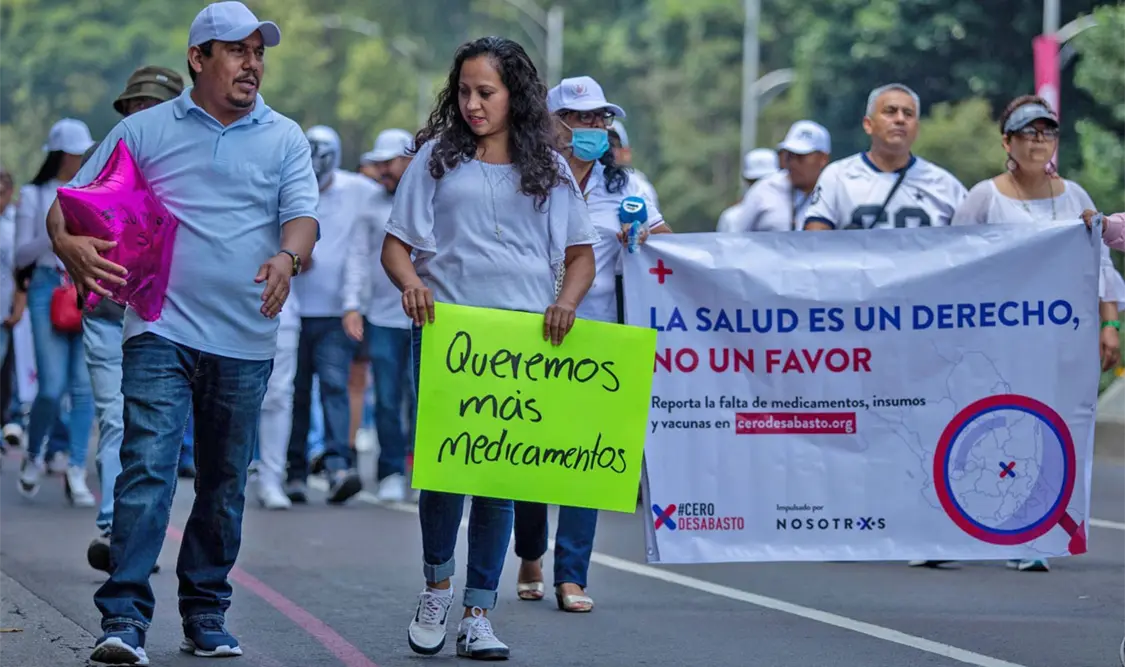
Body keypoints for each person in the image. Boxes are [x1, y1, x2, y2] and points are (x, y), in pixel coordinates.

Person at [46, 3, 319, 664]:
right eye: (237, 50)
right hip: (159, 328)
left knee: (223, 483)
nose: (252, 64)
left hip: (246, 339)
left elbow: (303, 219)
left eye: (259, 52)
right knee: (147, 466)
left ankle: (205, 613)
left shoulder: (284, 136)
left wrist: (288, 257)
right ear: (198, 58)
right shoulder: (144, 130)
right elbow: (66, 204)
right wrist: (69, 246)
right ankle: (123, 619)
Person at [381, 36, 597, 660]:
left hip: (520, 341)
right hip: (449, 336)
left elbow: (581, 256)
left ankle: (478, 613)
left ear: (515, 96)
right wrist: (412, 284)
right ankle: (436, 588)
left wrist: (566, 302)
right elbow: (396, 246)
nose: (472, 105)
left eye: (486, 92)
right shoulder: (435, 159)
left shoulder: (550, 168)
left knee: (497, 479)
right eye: (464, 92)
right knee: (446, 473)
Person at [509, 75, 672, 615]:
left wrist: (644, 244)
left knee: (587, 459)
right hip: (526, 334)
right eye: (582, 118)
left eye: (601, 118)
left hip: (599, 337)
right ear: (551, 124)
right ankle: (530, 551)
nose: (595, 127)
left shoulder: (627, 187)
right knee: (528, 456)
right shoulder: (521, 179)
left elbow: (670, 251)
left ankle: (571, 574)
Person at [951, 96, 1122, 573]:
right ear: (1007, 141)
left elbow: (1100, 266)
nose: (1038, 141)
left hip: (1059, 339)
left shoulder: (1075, 196)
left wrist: (1110, 324)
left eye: (1047, 132)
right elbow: (951, 263)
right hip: (995, 341)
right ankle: (967, 524)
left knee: (1050, 431)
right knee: (997, 429)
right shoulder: (984, 197)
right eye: (1028, 132)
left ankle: (1035, 530)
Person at [83, 64, 186, 574]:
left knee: (156, 435)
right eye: (137, 105)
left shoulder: (193, 164)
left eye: (156, 105)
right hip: (109, 311)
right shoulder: (105, 161)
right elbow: (67, 222)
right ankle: (114, 530)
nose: (145, 113)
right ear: (125, 111)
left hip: (171, 320)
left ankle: (137, 534)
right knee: (115, 418)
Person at [283, 124, 377, 505]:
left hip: (337, 312)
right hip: (292, 310)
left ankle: (339, 465)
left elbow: (394, 198)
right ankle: (294, 470)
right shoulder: (289, 186)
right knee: (295, 392)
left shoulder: (357, 189)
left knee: (335, 387)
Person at [13, 118, 97, 507]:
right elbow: (20, 256)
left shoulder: (92, 190)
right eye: (74, 153)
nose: (79, 159)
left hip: (84, 285)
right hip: (47, 287)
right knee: (51, 386)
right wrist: (56, 233)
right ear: (60, 155)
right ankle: (34, 454)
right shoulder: (34, 195)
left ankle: (76, 469)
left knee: (83, 387)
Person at [344, 128, 416, 503]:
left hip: (427, 316)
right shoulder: (370, 206)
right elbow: (357, 257)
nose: (383, 170)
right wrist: (352, 305)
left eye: (389, 163)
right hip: (383, 318)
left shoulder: (431, 200)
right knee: (387, 398)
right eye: (380, 164)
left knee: (425, 398)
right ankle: (390, 470)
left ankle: (423, 470)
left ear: (408, 161)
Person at [803, 83, 967, 231]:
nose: (900, 119)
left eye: (908, 114)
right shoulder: (838, 177)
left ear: (916, 129)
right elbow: (814, 243)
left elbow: (970, 242)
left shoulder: (944, 185)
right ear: (868, 124)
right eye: (890, 111)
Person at [720, 121, 831, 233]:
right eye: (790, 156)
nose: (793, 163)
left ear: (823, 159)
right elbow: (737, 237)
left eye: (800, 157)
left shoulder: (833, 194)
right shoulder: (763, 190)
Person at [716, 148, 781, 232]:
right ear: (746, 181)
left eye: (767, 181)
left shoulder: (791, 214)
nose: (761, 187)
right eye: (755, 181)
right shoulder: (731, 218)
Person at [607, 120, 659, 206]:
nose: (607, 150)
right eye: (603, 144)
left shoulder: (639, 189)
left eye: (612, 145)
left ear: (625, 152)